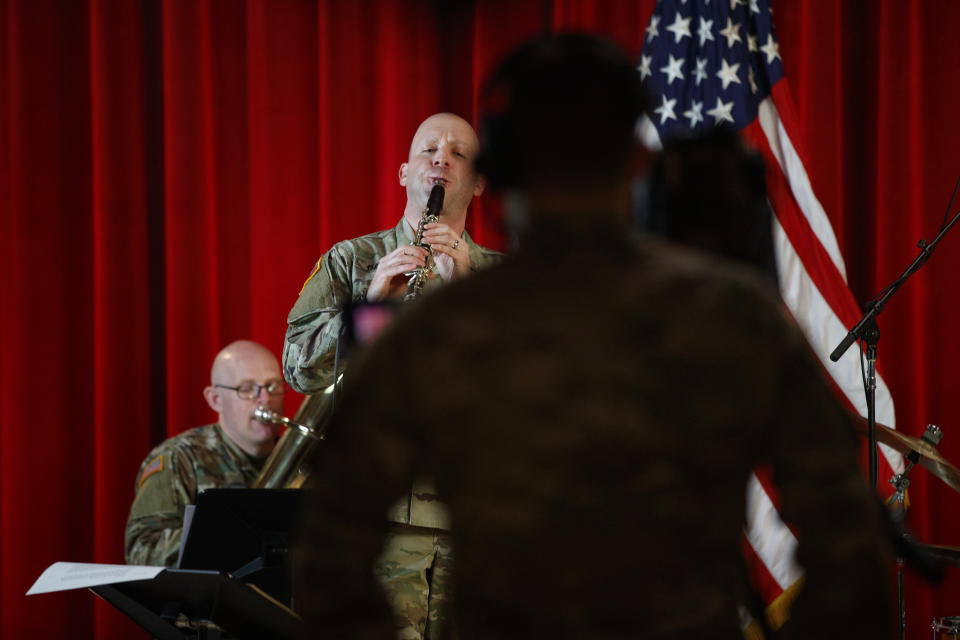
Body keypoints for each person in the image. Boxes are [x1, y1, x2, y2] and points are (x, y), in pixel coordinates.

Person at [294, 34, 894, 640]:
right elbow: (852, 543)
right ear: (638, 160)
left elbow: (329, 548)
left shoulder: (440, 324)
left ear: (496, 176)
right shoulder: (727, 311)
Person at [284, 113, 503, 638]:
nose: (441, 159)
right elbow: (298, 370)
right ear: (405, 173)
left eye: (458, 153)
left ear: (478, 183)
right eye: (429, 149)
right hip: (372, 524)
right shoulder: (351, 261)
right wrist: (372, 309)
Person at [125, 339, 284, 567]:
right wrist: (229, 539)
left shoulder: (308, 461)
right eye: (247, 389)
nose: (265, 400)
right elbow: (142, 552)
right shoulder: (178, 458)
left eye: (273, 386)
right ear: (215, 399)